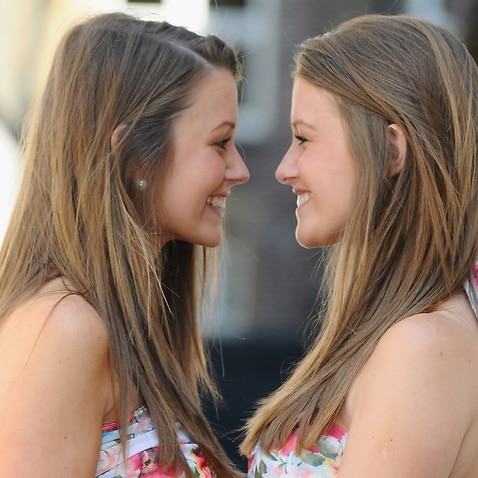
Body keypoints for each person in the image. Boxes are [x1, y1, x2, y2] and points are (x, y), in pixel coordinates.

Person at [0, 11, 249, 477]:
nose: (239, 169)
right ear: (135, 153)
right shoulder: (63, 326)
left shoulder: (118, 320)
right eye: (220, 142)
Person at [241, 13, 478, 477]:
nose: (285, 168)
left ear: (391, 151)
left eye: (303, 138)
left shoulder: (424, 345)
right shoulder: (402, 330)